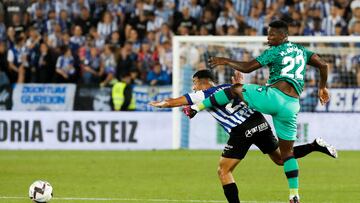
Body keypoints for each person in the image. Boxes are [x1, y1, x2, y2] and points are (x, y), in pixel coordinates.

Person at [184, 20, 330, 203]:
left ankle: (196, 108)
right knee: (286, 154)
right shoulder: (302, 51)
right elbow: (323, 65)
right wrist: (322, 88)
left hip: (273, 97)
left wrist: (225, 61)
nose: (268, 37)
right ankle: (294, 194)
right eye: (268, 34)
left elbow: (247, 68)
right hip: (292, 105)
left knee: (235, 88)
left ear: (283, 35)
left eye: (272, 34)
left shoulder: (275, 51)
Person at [150, 69, 336, 203]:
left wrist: (159, 103)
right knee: (281, 158)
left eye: (194, 82)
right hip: (259, 122)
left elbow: (174, 102)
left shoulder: (202, 94)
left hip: (240, 130)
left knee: (223, 171)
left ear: (202, 81)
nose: (193, 86)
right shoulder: (231, 87)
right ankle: (314, 145)